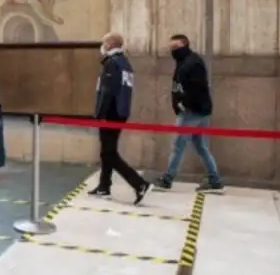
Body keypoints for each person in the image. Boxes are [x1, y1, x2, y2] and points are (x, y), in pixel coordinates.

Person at [87, 32, 152, 205]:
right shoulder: (125, 63)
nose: (103, 46)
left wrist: (99, 115)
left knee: (109, 153)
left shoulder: (112, 64)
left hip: (111, 114)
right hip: (120, 113)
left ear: (109, 44)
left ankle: (139, 184)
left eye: (104, 42)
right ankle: (104, 185)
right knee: (107, 151)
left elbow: (107, 92)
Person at [153, 34, 224, 193]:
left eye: (176, 47)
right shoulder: (185, 62)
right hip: (198, 110)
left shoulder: (192, 62)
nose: (173, 50)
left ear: (185, 45)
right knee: (201, 146)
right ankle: (215, 180)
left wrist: (184, 103)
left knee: (178, 145)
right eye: (171, 48)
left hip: (192, 111)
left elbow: (197, 88)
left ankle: (167, 179)